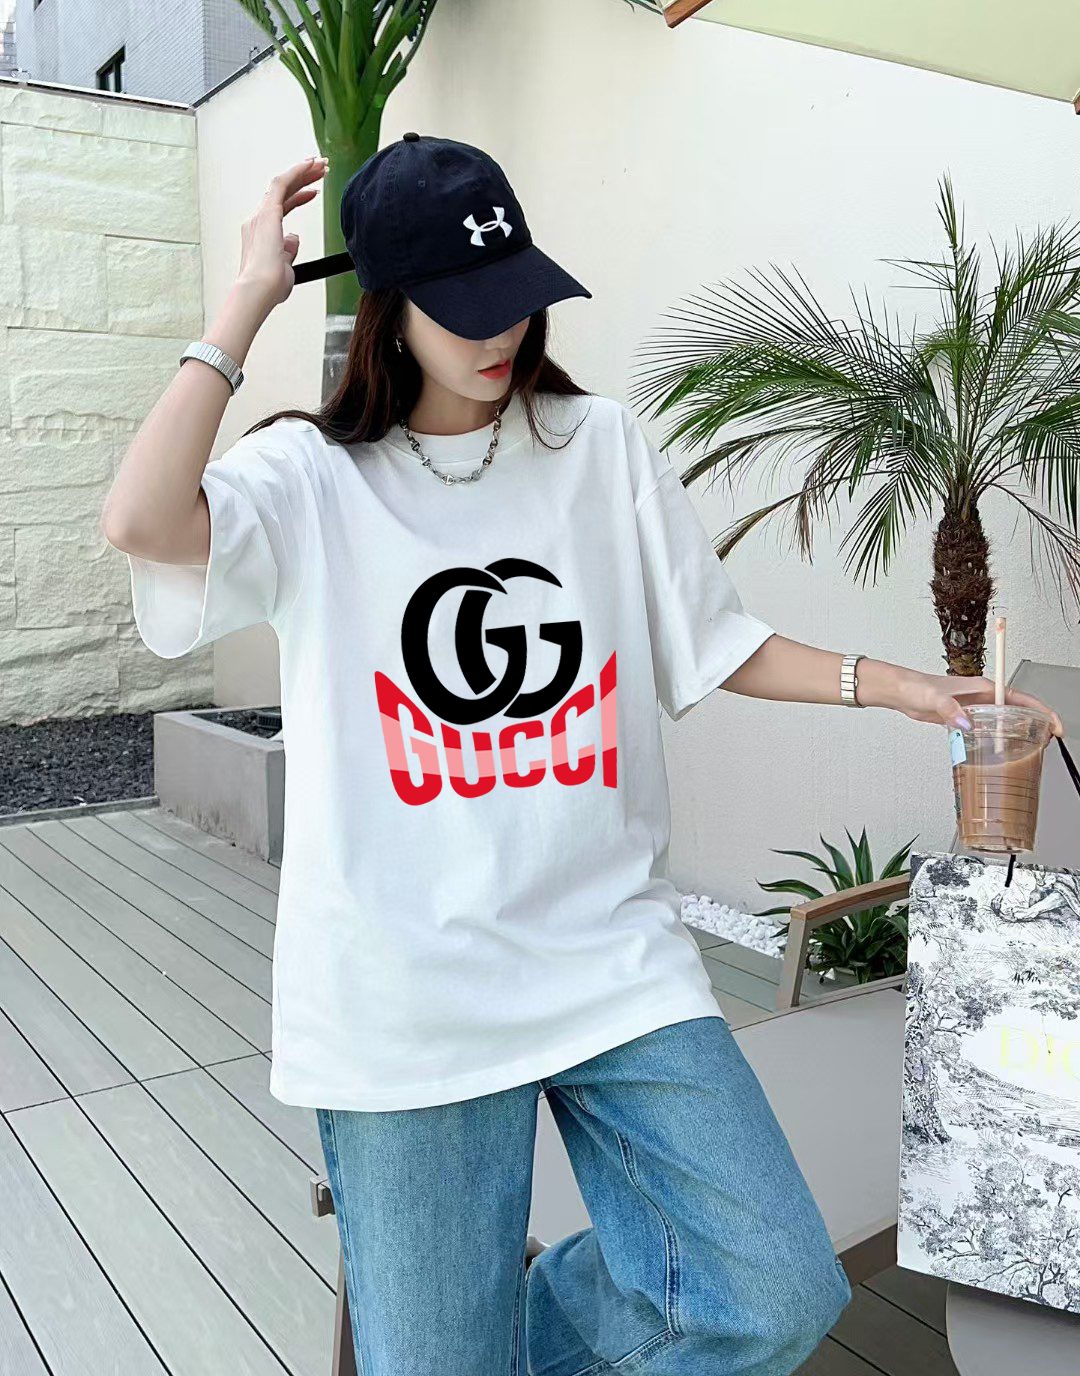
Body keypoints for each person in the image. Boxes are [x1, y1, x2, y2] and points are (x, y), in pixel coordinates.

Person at [101, 134, 1063, 1376]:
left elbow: (712, 641)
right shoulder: (311, 480)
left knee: (770, 1286)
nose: (503, 332)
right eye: (465, 310)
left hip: (608, 958)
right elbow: (141, 519)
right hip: (405, 998)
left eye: (516, 296)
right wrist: (245, 301)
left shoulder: (595, 446)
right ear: (390, 310)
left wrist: (902, 689)